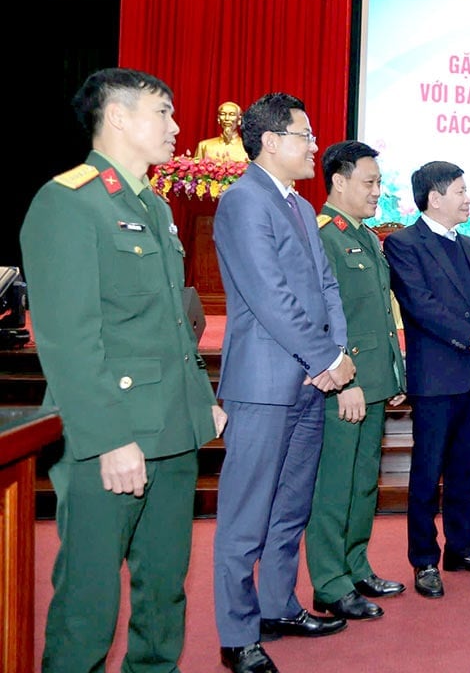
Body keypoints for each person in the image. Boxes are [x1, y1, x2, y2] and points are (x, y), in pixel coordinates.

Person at [21, 67, 225, 673]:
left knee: (163, 592)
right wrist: (110, 439)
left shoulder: (155, 206)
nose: (176, 126)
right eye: (163, 112)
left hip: (171, 432)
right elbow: (67, 341)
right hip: (110, 437)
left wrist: (199, 402)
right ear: (117, 117)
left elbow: (168, 324)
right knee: (89, 601)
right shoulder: (67, 201)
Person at [212, 93, 356, 673]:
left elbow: (325, 287)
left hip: (309, 381)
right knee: (245, 516)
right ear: (271, 140)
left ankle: (277, 606)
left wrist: (337, 354)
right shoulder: (243, 202)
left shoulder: (297, 205)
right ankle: (237, 636)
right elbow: (270, 296)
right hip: (264, 383)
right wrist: (326, 358)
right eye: (306, 135)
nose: (314, 146)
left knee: (291, 507)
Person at [383, 161, 470, 599]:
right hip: (437, 378)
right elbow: (420, 305)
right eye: (460, 190)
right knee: (427, 473)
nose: (468, 198)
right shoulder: (403, 244)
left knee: (467, 469)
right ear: (435, 198)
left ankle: (462, 547)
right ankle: (423, 560)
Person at [304, 141, 407, 621]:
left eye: (380, 183)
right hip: (344, 386)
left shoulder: (364, 236)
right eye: (369, 182)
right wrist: (345, 381)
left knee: (364, 482)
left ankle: (355, 564)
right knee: (336, 485)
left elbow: (377, 316)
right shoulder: (322, 235)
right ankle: (329, 582)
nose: (377, 192)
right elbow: (324, 318)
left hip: (374, 383)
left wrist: (392, 372)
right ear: (339, 181)